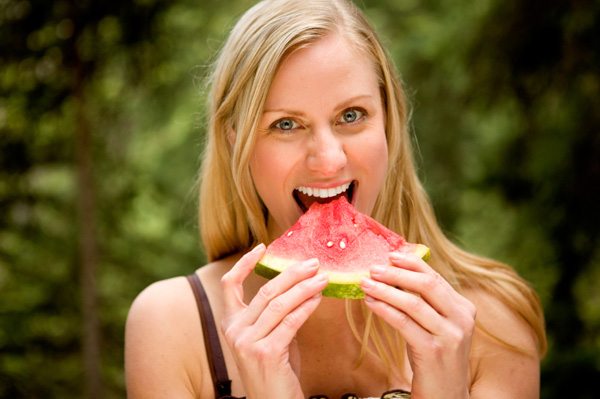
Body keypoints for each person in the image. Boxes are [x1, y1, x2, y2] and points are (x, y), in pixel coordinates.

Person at [125, 0, 547, 398]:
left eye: (351, 115)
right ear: (238, 144)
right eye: (286, 124)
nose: (328, 161)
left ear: (389, 123)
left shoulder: (492, 326)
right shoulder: (173, 328)